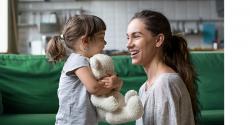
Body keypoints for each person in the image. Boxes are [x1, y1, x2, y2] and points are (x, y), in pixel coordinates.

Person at [126, 10, 200, 125]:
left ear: (158, 40)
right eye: (128, 37)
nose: (128, 44)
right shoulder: (144, 88)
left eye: (136, 36)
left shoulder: (165, 84)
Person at [46, 14, 122, 125]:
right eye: (101, 38)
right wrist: (113, 86)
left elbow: (101, 87)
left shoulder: (89, 62)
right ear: (85, 41)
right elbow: (94, 88)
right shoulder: (77, 60)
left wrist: (116, 82)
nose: (105, 43)